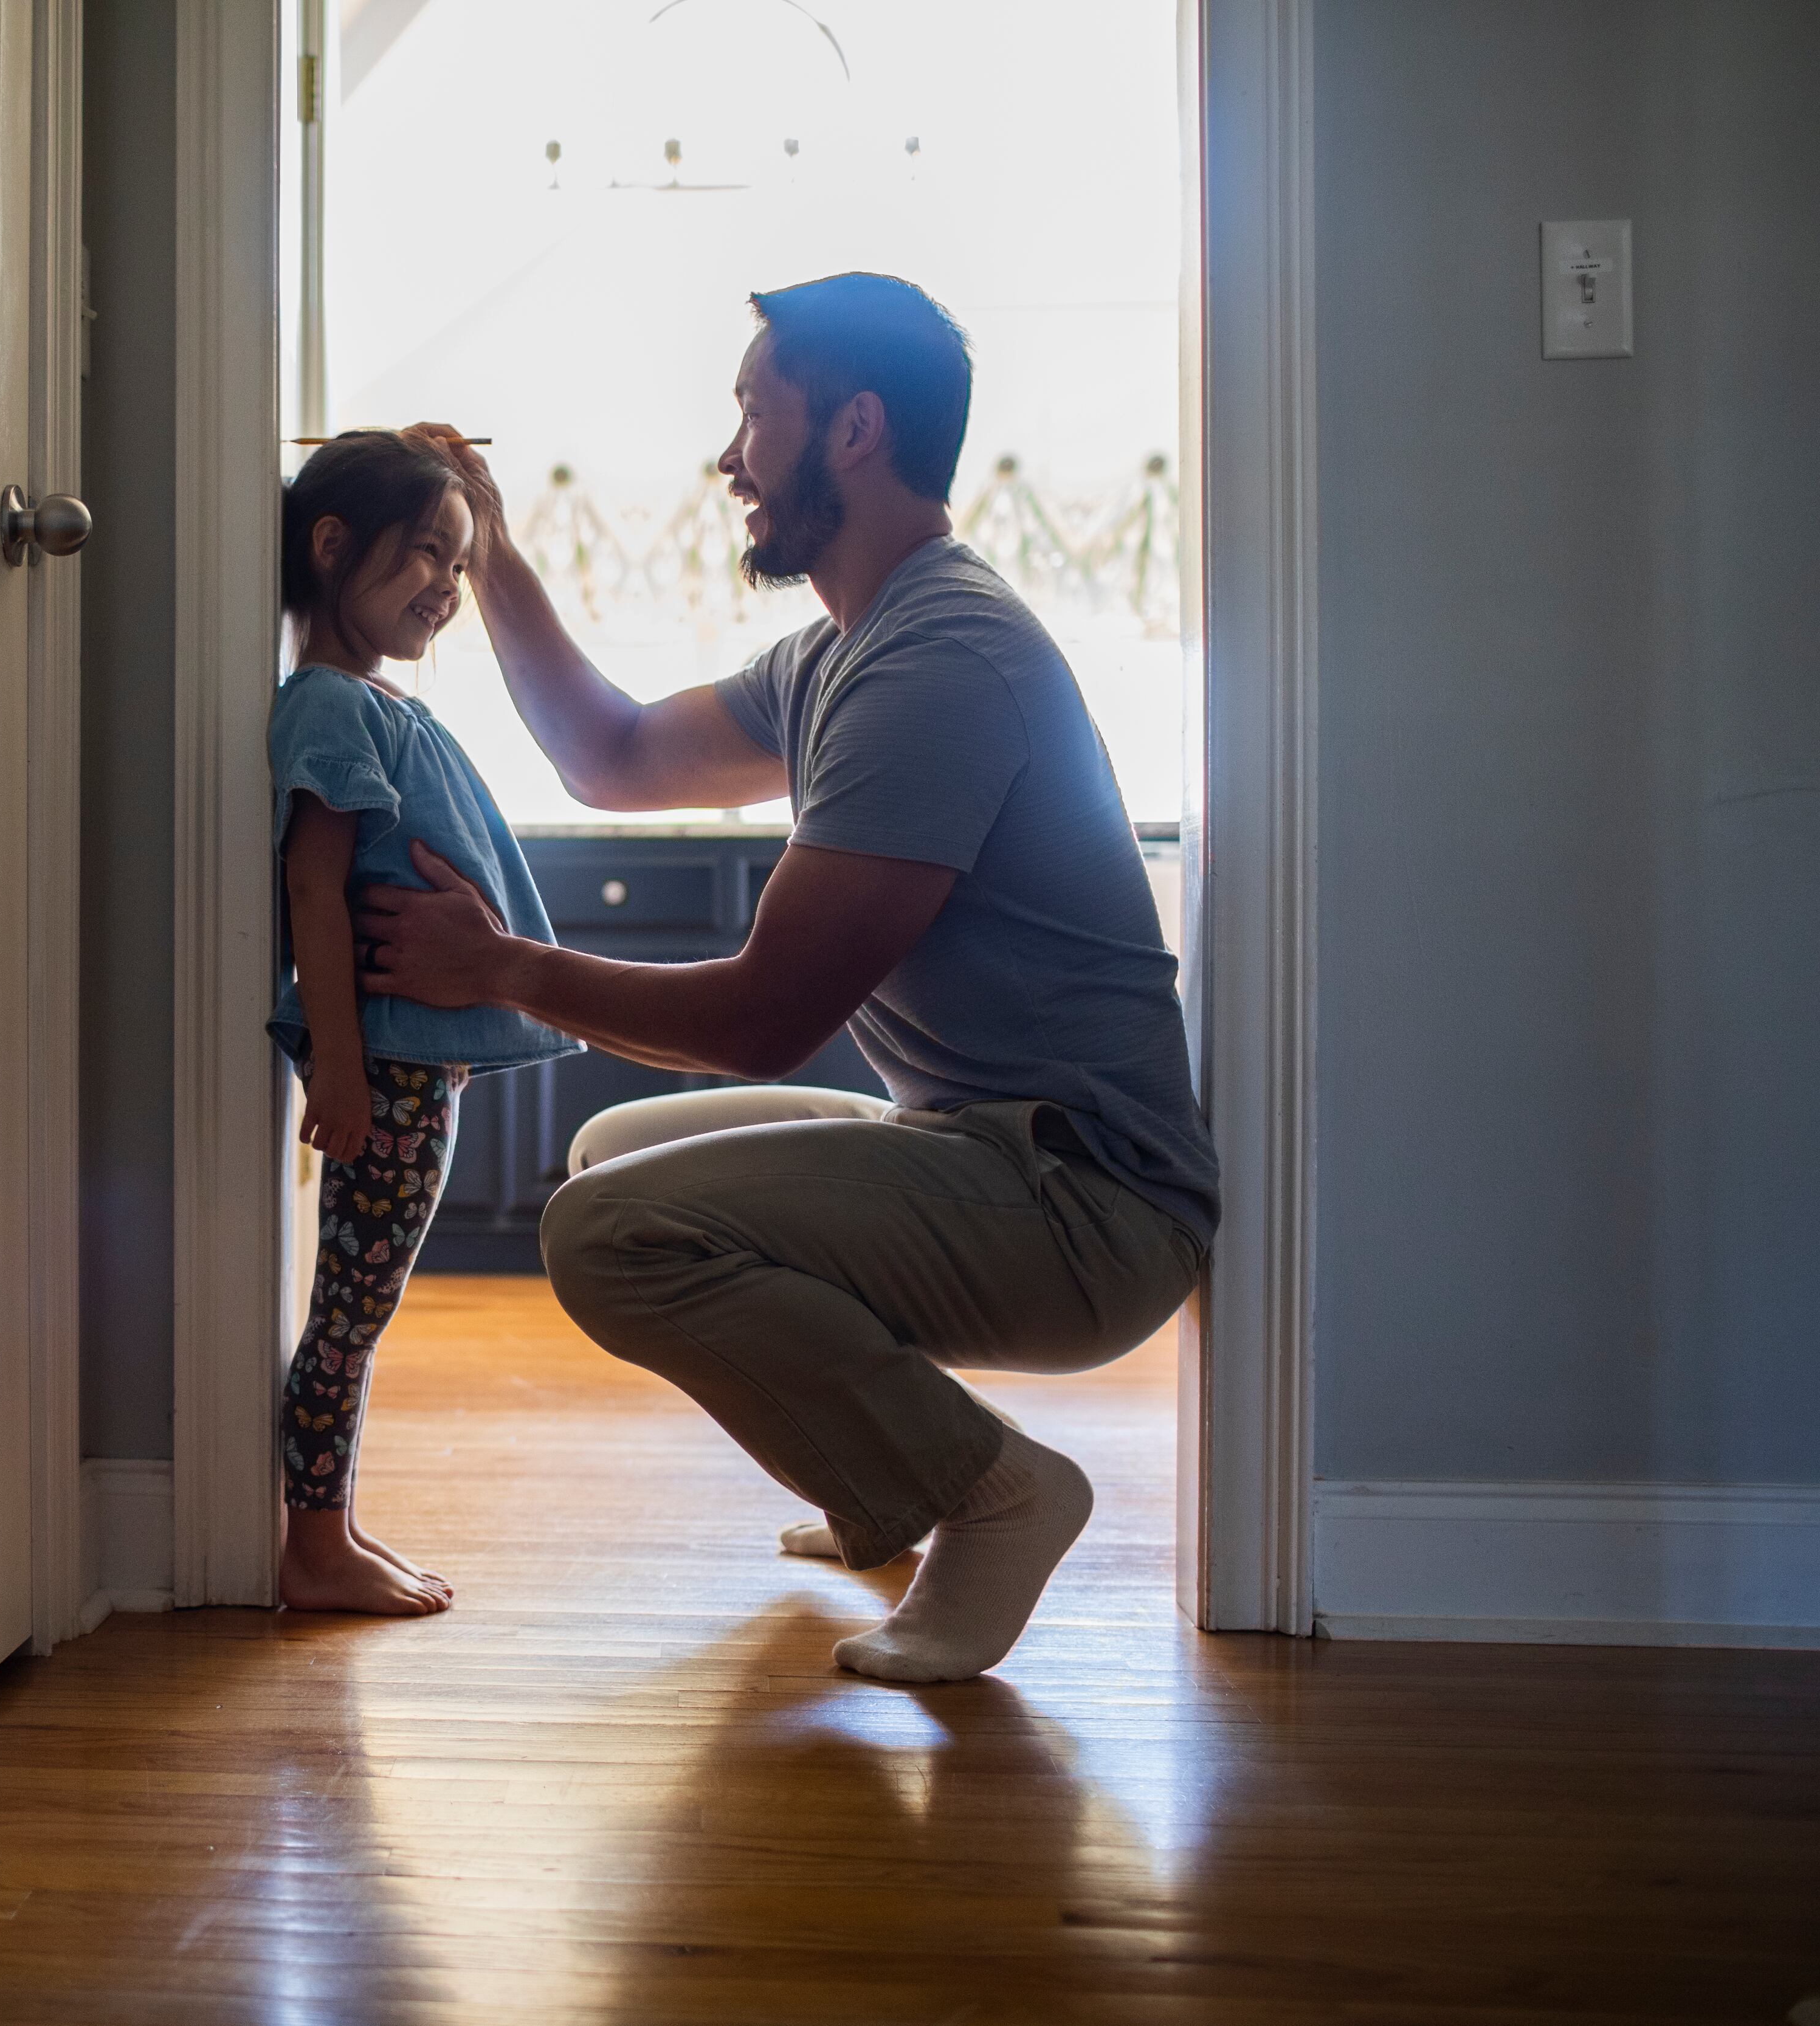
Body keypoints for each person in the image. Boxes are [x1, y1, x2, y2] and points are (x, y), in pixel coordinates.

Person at [357, 273, 1218, 1681]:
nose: (730, 456)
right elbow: (613, 757)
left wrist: (500, 965)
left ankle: (994, 1492)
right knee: (614, 1154)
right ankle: (882, 1473)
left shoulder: (937, 661)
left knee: (608, 1231)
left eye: (756, 412)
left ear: (854, 430)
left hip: (1086, 1210)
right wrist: (493, 551)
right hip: (985, 1148)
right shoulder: (841, 652)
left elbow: (763, 1020)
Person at [267, 429, 582, 1616]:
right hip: (387, 1067)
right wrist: (341, 1068)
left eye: (460, 563)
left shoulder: (374, 702)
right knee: (350, 1316)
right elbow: (313, 887)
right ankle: (314, 1546)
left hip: (414, 1063)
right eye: (427, 554)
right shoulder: (328, 705)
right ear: (332, 546)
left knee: (362, 1307)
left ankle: (333, 1526)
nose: (448, 585)